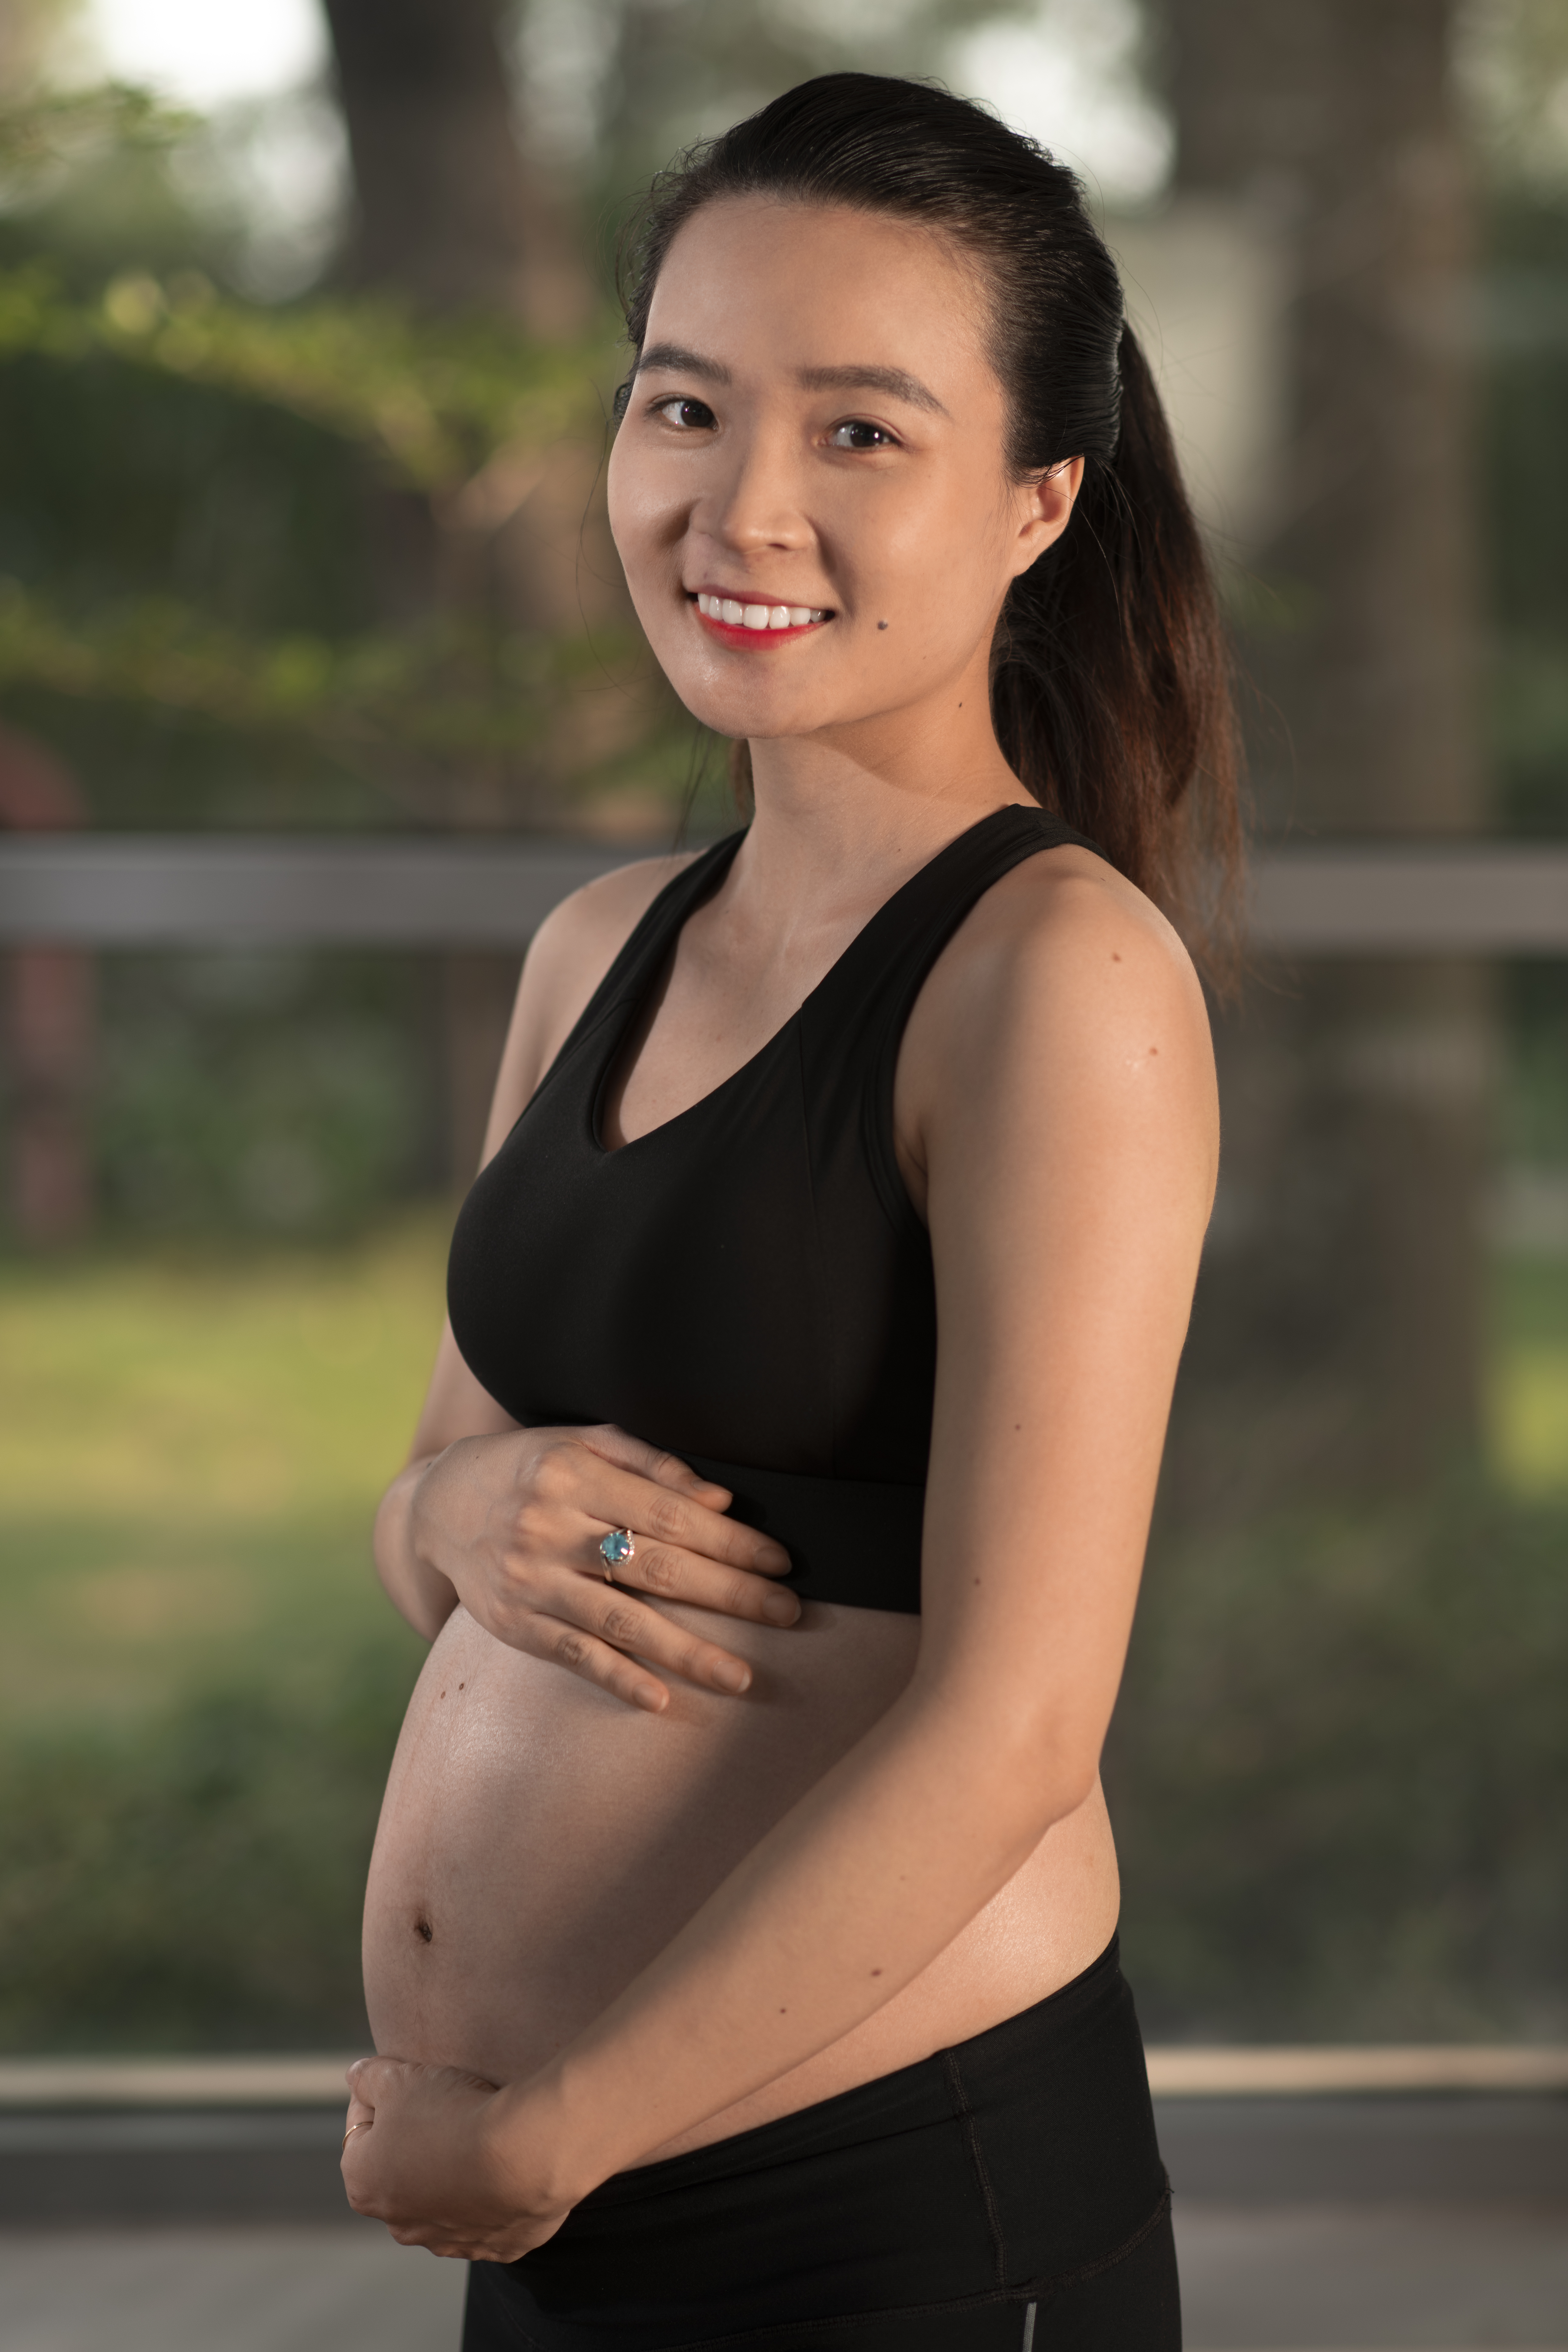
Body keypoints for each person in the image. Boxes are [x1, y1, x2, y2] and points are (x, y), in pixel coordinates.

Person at [341, 71, 1234, 2351]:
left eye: (859, 432)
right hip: (574, 2190)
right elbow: (424, 1510)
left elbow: (1017, 1724)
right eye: (685, 406)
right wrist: (478, 1508)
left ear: (1037, 501)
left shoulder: (1056, 980)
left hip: (873, 2210)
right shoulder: (599, 944)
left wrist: (557, 2127)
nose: (741, 506)